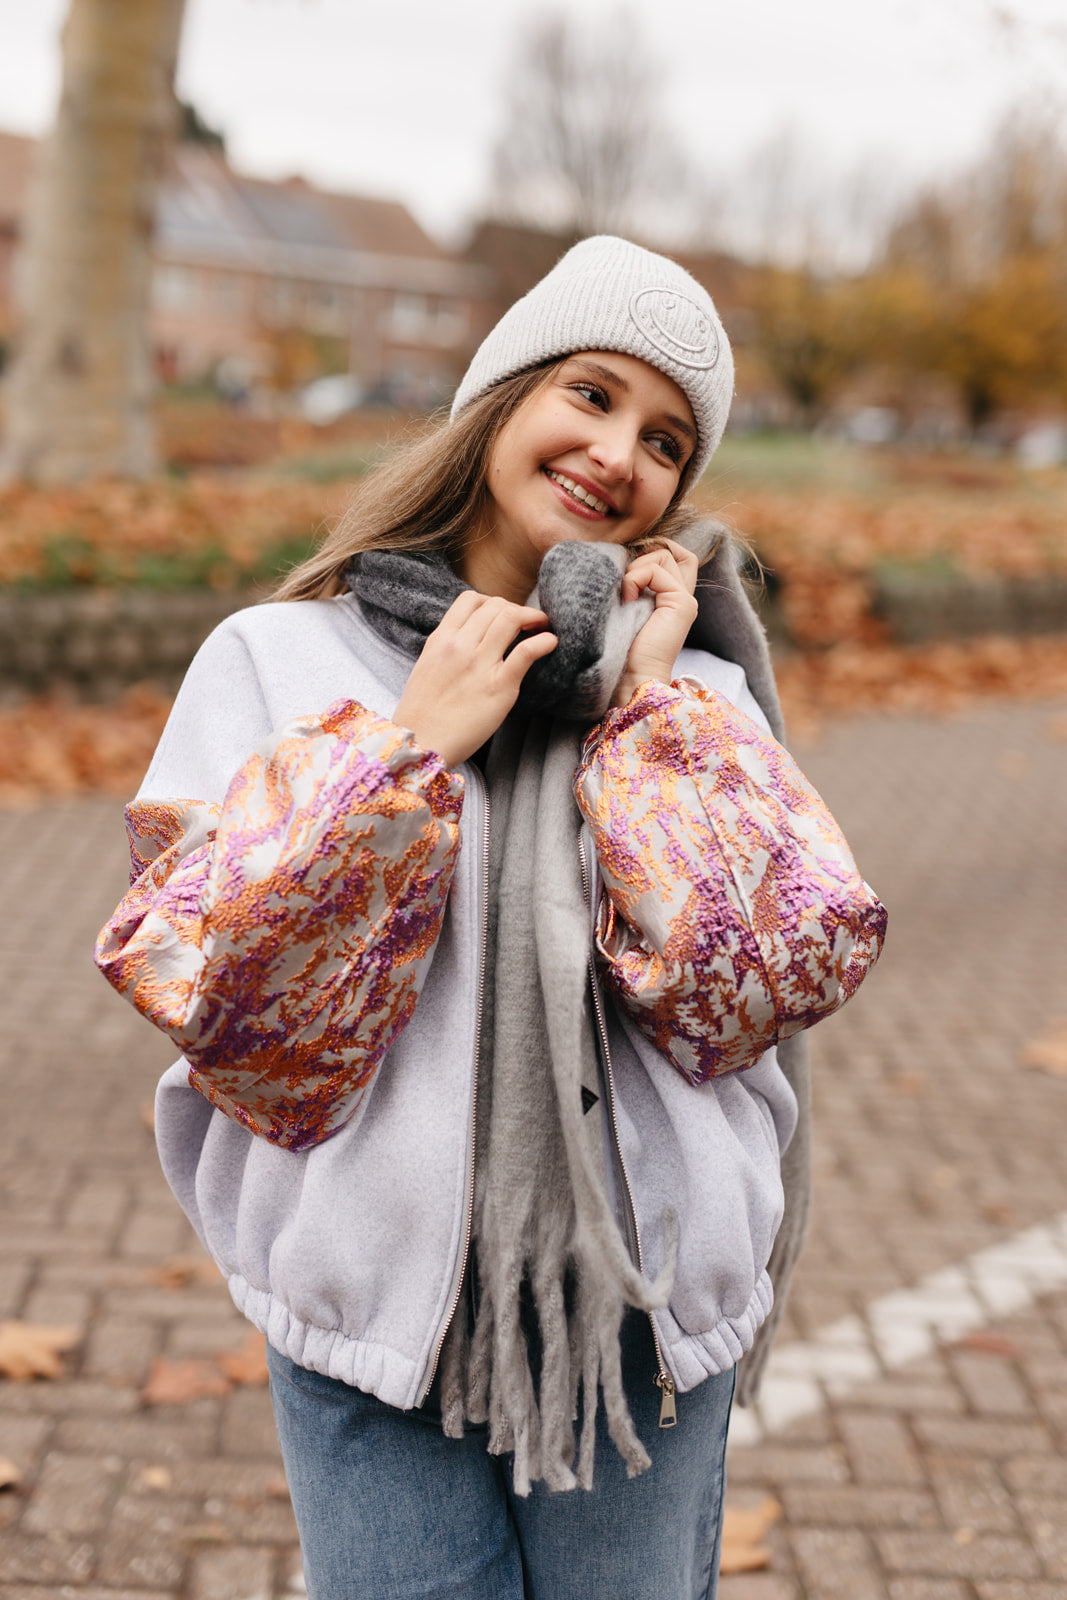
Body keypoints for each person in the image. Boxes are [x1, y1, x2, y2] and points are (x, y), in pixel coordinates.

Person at [95, 237, 886, 1600]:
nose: (619, 453)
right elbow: (211, 990)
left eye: (666, 439)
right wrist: (403, 758)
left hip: (631, 1324)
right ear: (500, 397)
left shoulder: (690, 692)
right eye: (590, 392)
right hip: (371, 1328)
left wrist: (645, 712)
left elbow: (762, 981)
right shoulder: (279, 659)